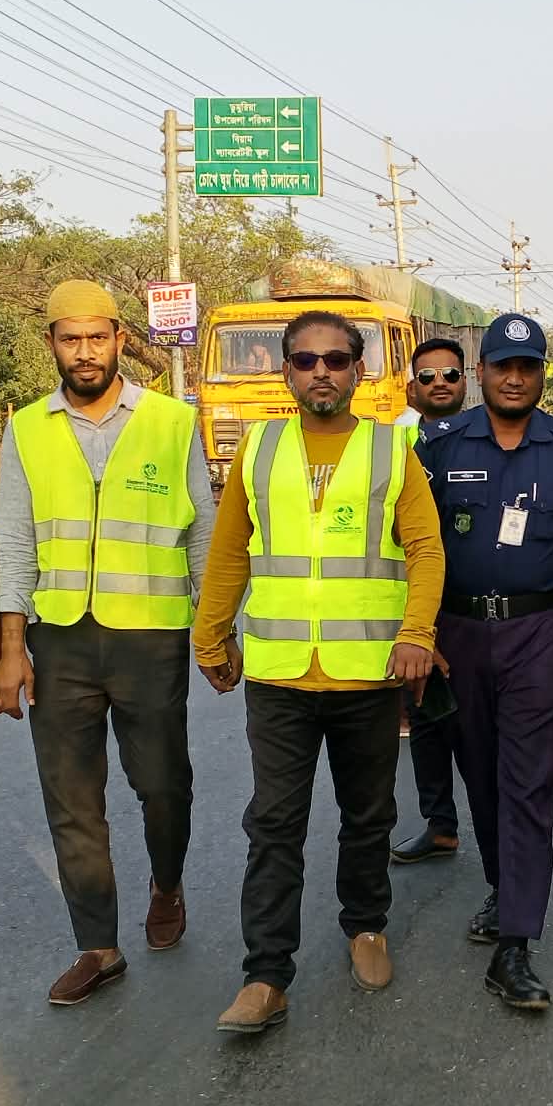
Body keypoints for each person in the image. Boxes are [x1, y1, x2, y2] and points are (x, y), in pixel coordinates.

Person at [193, 309, 445, 1034]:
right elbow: (230, 549)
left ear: (359, 371)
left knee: (368, 815)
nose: (321, 372)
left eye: (336, 360)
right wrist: (210, 636)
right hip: (279, 674)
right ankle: (265, 975)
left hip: (366, 670)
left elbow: (425, 549)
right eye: (305, 361)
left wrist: (417, 633)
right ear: (287, 372)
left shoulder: (390, 450)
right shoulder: (260, 447)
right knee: (274, 823)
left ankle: (366, 925)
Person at [0, 280, 216, 1007]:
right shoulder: (27, 428)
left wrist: (214, 628)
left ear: (120, 339)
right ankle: (98, 946)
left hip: (151, 637)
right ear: (51, 344)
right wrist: (11, 646)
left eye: (96, 337)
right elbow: (14, 539)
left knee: (162, 784)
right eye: (69, 339)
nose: (83, 352)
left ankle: (167, 881)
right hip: (60, 639)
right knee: (71, 796)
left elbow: (202, 529)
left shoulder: (172, 421)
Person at [416, 313, 553, 1011]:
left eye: (528, 367)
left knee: (527, 783)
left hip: (537, 633)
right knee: (483, 774)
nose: (515, 378)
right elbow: (410, 543)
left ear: (542, 373)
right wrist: (420, 630)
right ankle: (504, 888)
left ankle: (516, 945)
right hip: (457, 633)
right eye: (503, 366)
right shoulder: (437, 446)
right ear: (482, 372)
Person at [390, 338, 470, 863]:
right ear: (411, 388)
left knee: (479, 725)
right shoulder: (392, 445)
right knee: (425, 719)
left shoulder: (486, 438)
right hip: (416, 605)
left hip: (474, 607)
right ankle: (440, 825)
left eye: (450, 374)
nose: (439, 382)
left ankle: (503, 836)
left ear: (466, 382)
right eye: (428, 376)